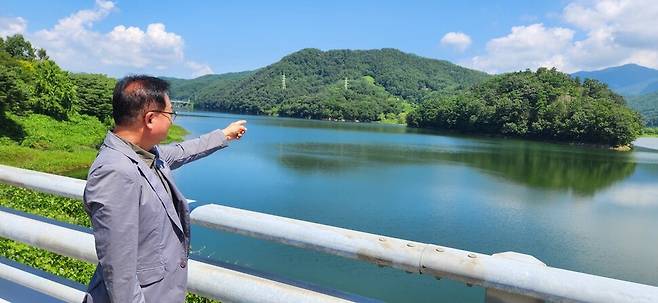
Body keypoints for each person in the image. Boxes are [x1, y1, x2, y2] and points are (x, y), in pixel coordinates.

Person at [82, 75, 246, 303]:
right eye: (170, 114)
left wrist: (224, 134)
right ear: (150, 119)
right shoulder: (115, 171)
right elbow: (119, 272)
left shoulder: (146, 154)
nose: (172, 121)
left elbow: (182, 150)